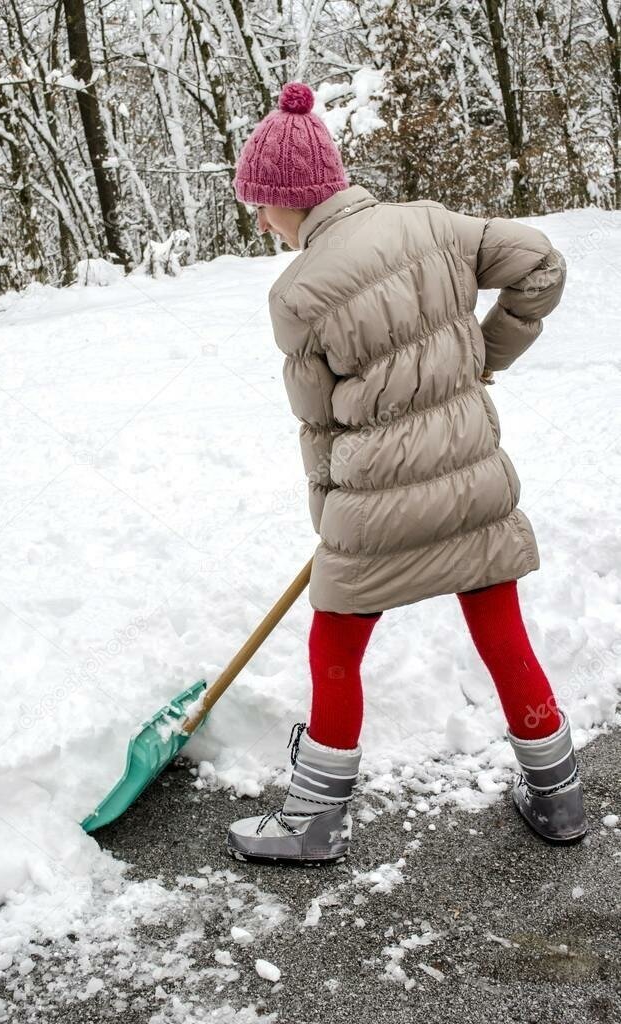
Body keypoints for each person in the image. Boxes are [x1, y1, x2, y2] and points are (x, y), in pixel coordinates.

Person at [226, 81, 586, 863]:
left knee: (334, 646)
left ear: (292, 199)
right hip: (471, 481)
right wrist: (483, 358)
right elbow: (541, 265)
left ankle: (314, 822)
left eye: (262, 203)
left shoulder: (297, 293)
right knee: (502, 635)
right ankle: (559, 795)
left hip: (374, 505)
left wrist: (331, 526)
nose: (259, 220)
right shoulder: (436, 225)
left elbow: (319, 425)